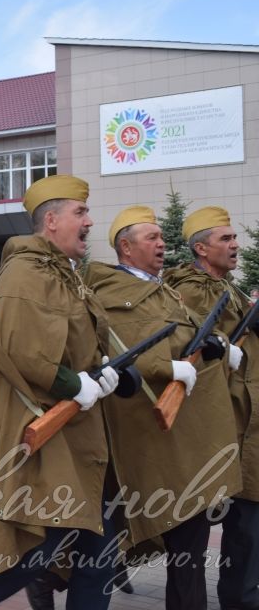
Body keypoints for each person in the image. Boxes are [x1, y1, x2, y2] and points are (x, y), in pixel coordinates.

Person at [0, 175, 120, 610]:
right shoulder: (25, 271)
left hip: (75, 432)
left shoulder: (66, 274)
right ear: (51, 221)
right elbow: (12, 347)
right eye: (80, 213)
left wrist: (102, 371)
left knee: (97, 551)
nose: (89, 221)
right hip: (42, 431)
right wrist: (76, 384)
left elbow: (72, 342)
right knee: (32, 546)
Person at [76, 206, 242, 610]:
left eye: (161, 237)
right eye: (152, 237)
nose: (162, 243)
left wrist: (213, 345)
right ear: (126, 247)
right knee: (134, 535)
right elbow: (127, 350)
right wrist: (168, 366)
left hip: (186, 434)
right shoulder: (116, 293)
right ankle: (45, 577)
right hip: (152, 432)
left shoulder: (162, 289)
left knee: (190, 536)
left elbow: (181, 336)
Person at [163, 206, 259, 610]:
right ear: (201, 248)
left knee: (246, 528)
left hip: (243, 423)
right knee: (193, 535)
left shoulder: (228, 288)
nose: (235, 245)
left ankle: (242, 600)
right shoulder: (191, 289)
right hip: (212, 428)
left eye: (235, 238)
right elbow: (198, 342)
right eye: (226, 239)